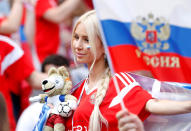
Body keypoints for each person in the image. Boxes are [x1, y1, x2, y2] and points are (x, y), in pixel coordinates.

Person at [61, 10, 191, 131]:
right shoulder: (78, 90)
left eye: (86, 40)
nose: (77, 46)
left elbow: (152, 104)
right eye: (76, 37)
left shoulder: (118, 82)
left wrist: (188, 105)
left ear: (104, 46)